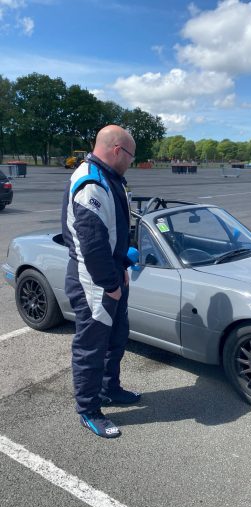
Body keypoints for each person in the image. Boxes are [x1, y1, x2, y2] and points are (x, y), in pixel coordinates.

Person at [62, 125, 140, 439]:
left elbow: (114, 232)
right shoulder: (91, 183)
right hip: (93, 281)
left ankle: (110, 388)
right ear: (118, 150)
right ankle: (88, 409)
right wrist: (110, 283)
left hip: (110, 274)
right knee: (90, 347)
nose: (133, 162)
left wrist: (121, 265)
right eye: (132, 156)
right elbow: (92, 245)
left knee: (116, 337)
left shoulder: (111, 178)